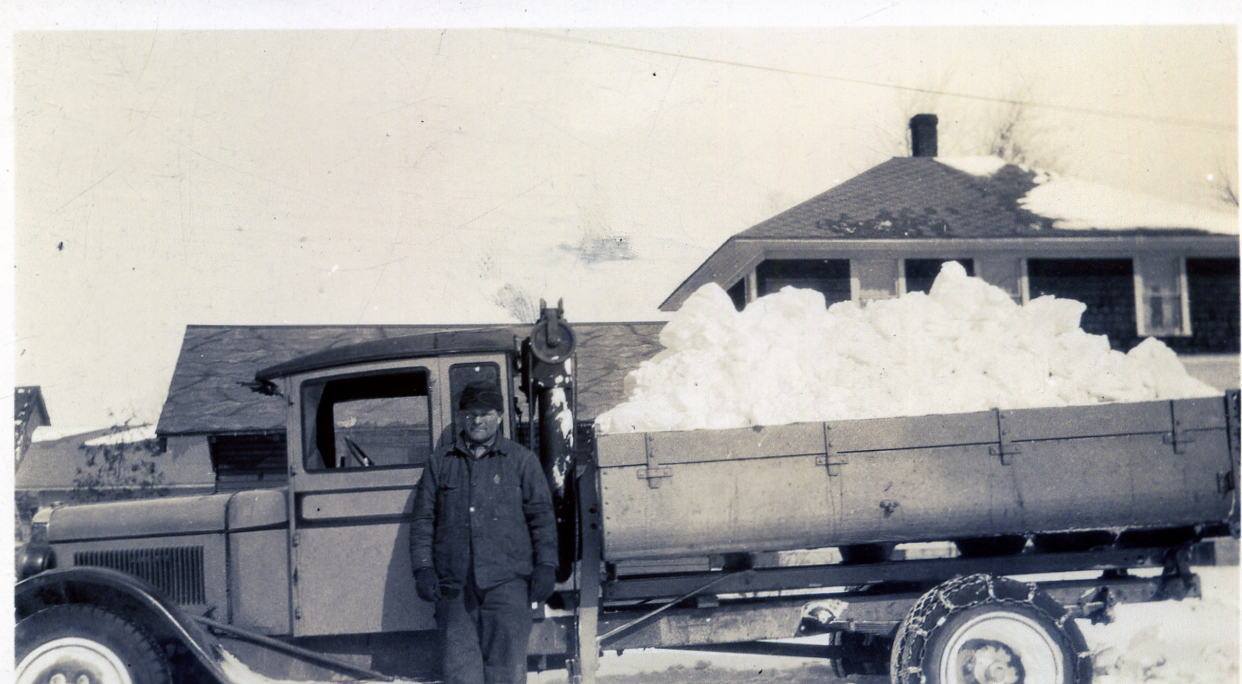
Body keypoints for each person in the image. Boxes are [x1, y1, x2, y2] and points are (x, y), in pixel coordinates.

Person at [410, 381, 558, 684]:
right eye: (471, 413)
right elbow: (423, 520)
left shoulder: (522, 462)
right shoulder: (440, 464)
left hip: (507, 585)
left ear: (500, 416)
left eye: (486, 413)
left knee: (506, 672)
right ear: (462, 416)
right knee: (460, 673)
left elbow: (542, 518)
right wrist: (423, 569)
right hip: (454, 586)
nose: (478, 420)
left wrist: (546, 565)